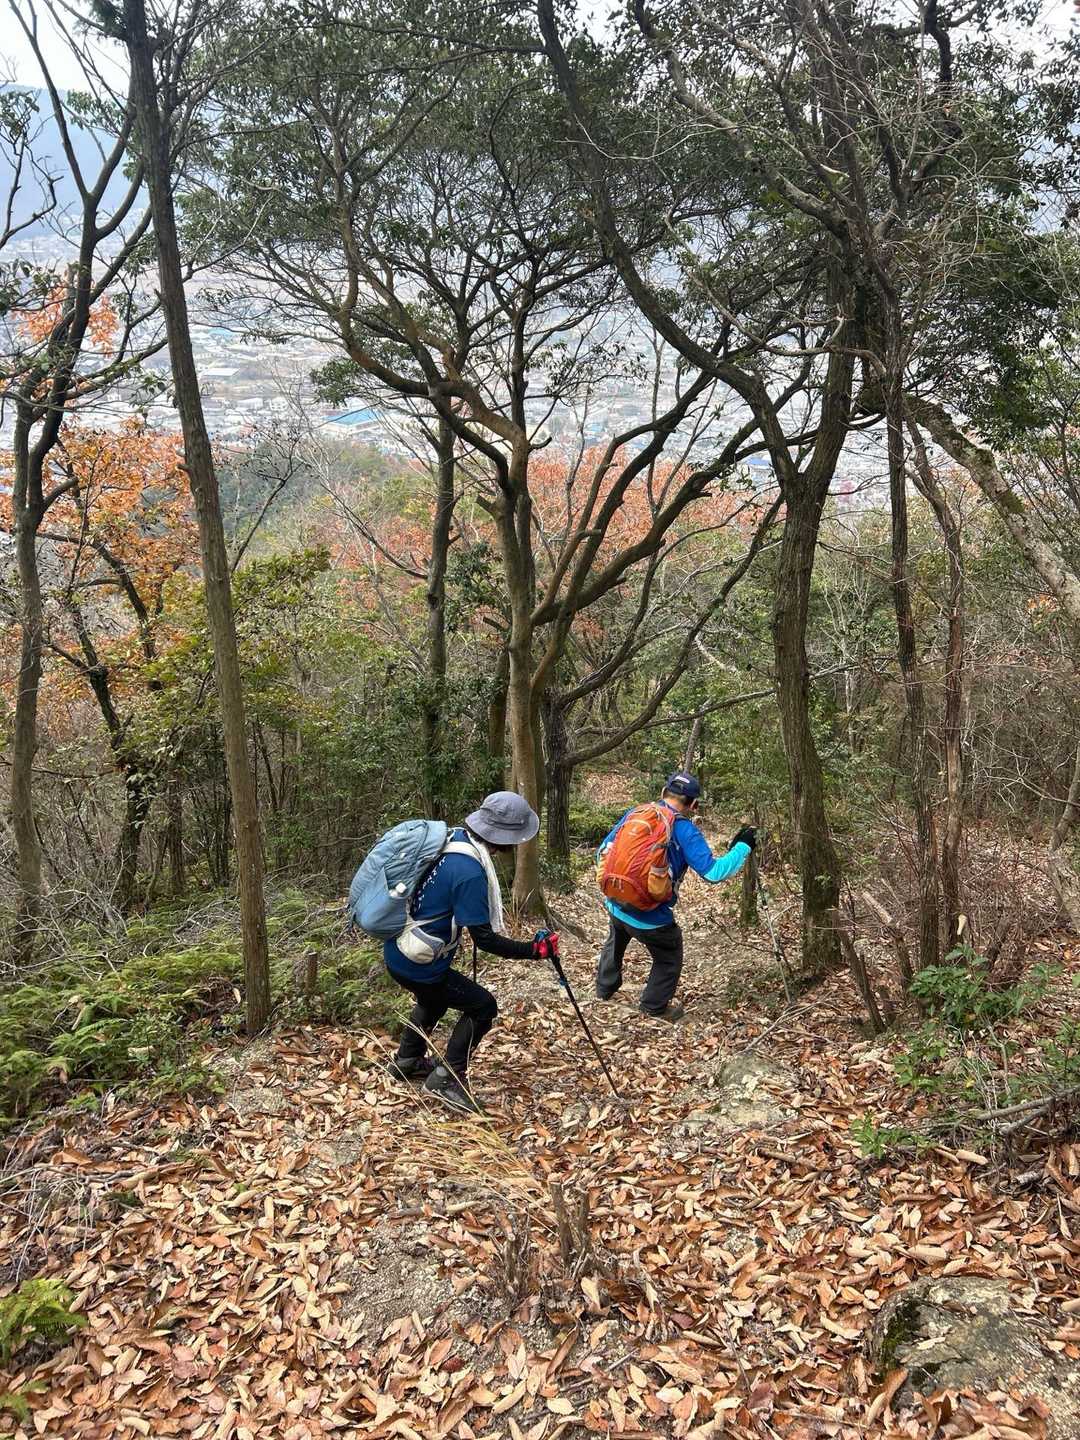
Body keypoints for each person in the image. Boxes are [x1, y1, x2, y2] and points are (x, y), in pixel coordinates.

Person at [383, 790, 559, 1114]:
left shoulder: (452, 839)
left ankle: (406, 1061)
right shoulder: (469, 871)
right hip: (418, 964)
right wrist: (535, 951)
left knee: (434, 999)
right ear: (505, 837)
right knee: (482, 1007)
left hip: (398, 948)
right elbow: (485, 940)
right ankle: (446, 1080)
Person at [595, 771, 755, 1021]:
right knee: (669, 954)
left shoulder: (636, 813)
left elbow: (603, 851)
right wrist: (744, 845)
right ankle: (653, 1007)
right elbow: (713, 873)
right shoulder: (684, 830)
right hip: (651, 915)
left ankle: (604, 989)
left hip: (616, 901)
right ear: (693, 804)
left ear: (663, 793)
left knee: (616, 936)